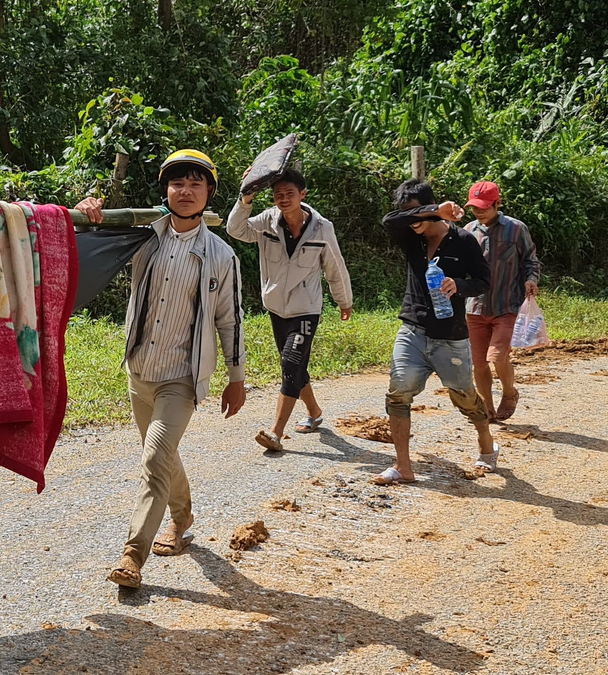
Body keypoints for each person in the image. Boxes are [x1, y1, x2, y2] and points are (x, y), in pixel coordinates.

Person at [76, 151, 245, 590]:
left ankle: (133, 555)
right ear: (165, 190)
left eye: (195, 184)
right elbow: (86, 239)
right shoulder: (141, 238)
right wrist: (88, 212)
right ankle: (183, 517)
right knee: (163, 456)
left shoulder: (220, 255)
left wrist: (236, 376)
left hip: (181, 377)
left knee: (154, 459)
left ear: (209, 193)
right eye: (177, 184)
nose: (185, 192)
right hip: (139, 370)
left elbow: (230, 318)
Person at [377, 180, 501, 482]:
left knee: (464, 395)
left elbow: (483, 281)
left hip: (451, 334)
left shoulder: (464, 240)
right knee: (398, 392)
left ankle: (486, 442)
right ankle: (403, 466)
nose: (413, 221)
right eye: (409, 214)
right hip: (413, 329)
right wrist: (433, 211)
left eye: (417, 213)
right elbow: (388, 221)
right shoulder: (410, 237)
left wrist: (458, 285)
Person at [226, 164, 354, 454]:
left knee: (291, 362)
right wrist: (245, 197)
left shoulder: (322, 228)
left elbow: (335, 266)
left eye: (289, 193)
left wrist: (343, 300)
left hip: (305, 308)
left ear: (302, 194)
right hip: (276, 307)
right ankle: (315, 412)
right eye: (277, 194)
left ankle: (275, 432)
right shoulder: (267, 221)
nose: (283, 199)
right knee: (295, 365)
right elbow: (236, 230)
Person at [460, 181, 540, 422]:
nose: (479, 212)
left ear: (498, 204)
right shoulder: (468, 231)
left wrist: (531, 279)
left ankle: (509, 392)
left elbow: (530, 260)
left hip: (507, 305)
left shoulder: (516, 229)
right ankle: (487, 408)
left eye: (484, 207)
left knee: (497, 357)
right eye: (474, 207)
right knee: (479, 363)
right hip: (475, 307)